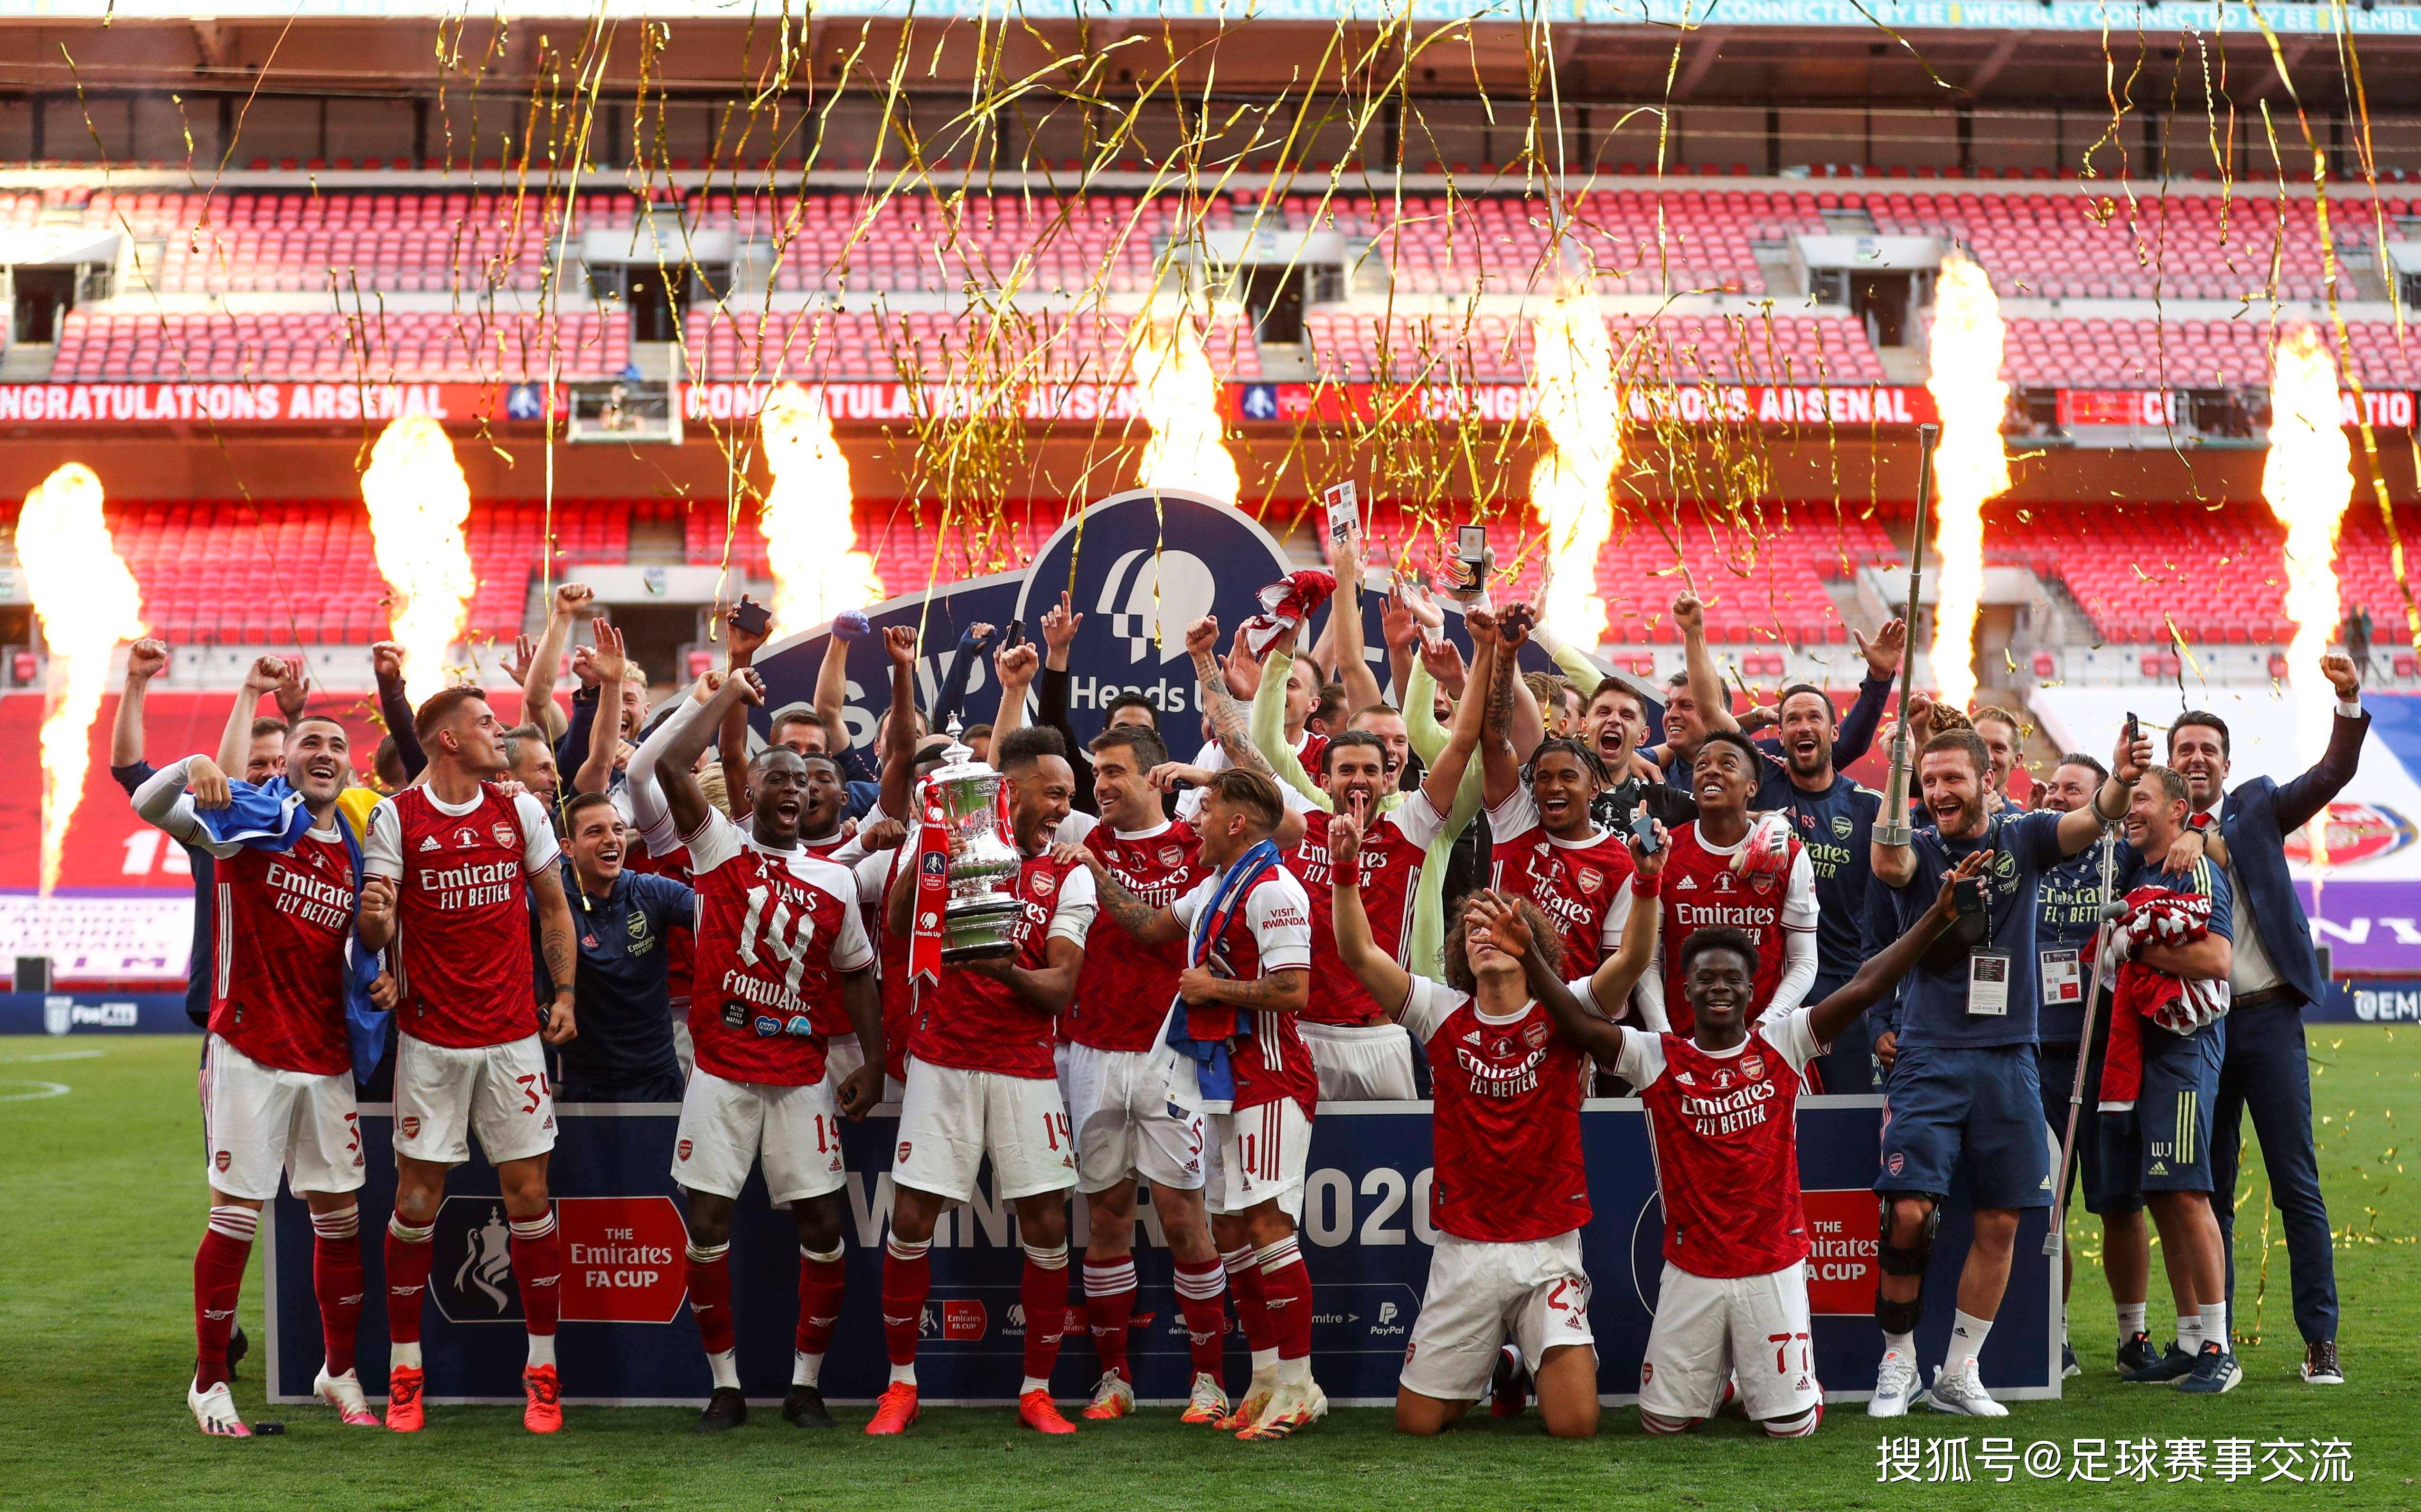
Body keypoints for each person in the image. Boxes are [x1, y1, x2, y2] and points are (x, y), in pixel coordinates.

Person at [1491, 848, 1990, 1439]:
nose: (1719, 988)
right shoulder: (1657, 1058)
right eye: (1706, 978)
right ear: (1687, 988)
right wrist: (1529, 955)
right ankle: (1725, 1374)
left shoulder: (1781, 1043)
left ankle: (1767, 1376)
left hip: (1772, 1264)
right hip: (1692, 1270)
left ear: (1754, 988)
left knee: (1790, 1429)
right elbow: (1578, 1027)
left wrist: (1934, 918)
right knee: (1663, 1424)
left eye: (1732, 978)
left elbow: (1863, 987)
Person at [1331, 814, 1661, 1439]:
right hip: (1466, 1247)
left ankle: (1518, 1358)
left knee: (1575, 1426)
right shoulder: (1441, 1012)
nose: (1484, 934)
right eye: (1472, 928)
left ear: (1527, 939)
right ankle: (1502, 1364)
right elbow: (1357, 953)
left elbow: (1636, 957)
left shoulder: (1566, 1010)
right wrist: (1345, 870)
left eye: (1499, 925)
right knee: (1418, 1424)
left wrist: (1646, 882)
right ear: (1461, 950)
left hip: (1548, 1244)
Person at [1864, 718, 2150, 1418]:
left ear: (1988, 780)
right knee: (1907, 1212)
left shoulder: (2022, 838)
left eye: (1952, 778)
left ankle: (1959, 1373)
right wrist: (1897, 774)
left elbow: (2096, 819)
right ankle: (1897, 1361)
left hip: (2009, 1058)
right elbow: (1886, 864)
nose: (1939, 792)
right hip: (1929, 1054)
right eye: (1929, 782)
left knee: (2000, 1221)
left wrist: (2118, 775)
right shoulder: (1921, 848)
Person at [641, 667, 887, 1431]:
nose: (793, 787)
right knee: (707, 1224)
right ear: (752, 793)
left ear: (819, 798)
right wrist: (724, 697)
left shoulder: (836, 881)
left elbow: (855, 979)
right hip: (720, 1073)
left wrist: (875, 1062)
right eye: (776, 775)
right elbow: (667, 767)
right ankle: (725, 1385)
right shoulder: (720, 850)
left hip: (802, 1077)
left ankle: (805, 1384)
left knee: (821, 1227)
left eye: (806, 779)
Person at [131, 714, 391, 1435]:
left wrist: (381, 968)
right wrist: (189, 763)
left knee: (339, 1221)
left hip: (325, 1055)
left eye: (338, 746)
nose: (325, 755)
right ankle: (209, 1381)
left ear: (349, 768)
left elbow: (356, 957)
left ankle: (337, 1371)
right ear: (289, 762)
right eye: (312, 743)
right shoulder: (249, 819)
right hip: (247, 1046)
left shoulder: (353, 850)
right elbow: (147, 806)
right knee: (236, 1216)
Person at [356, 686, 580, 1435]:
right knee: (416, 1204)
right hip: (431, 1042)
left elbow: (553, 906)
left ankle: (542, 1369)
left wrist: (567, 992)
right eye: (486, 724)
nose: (501, 737)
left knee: (528, 1200)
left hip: (513, 1037)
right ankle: (404, 1369)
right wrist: (377, 927)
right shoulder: (398, 817)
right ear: (448, 739)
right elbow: (375, 919)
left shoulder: (520, 810)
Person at [1084, 766, 1323, 1440]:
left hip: (1271, 1077)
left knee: (1270, 1225)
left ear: (1237, 824)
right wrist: (1095, 868)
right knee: (1234, 1233)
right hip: (1221, 1080)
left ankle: (1302, 1387)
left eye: (1208, 807)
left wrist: (1214, 990)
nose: (1195, 819)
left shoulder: (1274, 890)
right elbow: (1154, 927)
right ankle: (1268, 1378)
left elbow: (1294, 990)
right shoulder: (1219, 884)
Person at [874, 724, 1096, 1437]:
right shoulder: (950, 845)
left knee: (1047, 1226)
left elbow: (1060, 988)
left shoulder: (1069, 871)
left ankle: (1036, 1389)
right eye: (1054, 791)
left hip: (1025, 1065)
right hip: (943, 1060)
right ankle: (900, 1385)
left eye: (1069, 794)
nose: (1064, 805)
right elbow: (900, 928)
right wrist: (932, 840)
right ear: (1013, 787)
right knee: (910, 1222)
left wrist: (997, 967)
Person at [2167, 653, 2367, 1385]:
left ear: (2225, 763)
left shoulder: (2256, 806)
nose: (2196, 758)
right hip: (2196, 1027)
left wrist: (2346, 701)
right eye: (2184, 749)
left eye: (2207, 750)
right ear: (2170, 762)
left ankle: (2320, 1339)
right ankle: (2210, 1342)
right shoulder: (2155, 828)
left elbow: (2330, 776)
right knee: (2204, 1186)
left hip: (2269, 1019)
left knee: (2296, 1184)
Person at [1050, 722, 1233, 1423]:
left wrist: (1200, 779)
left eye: (1116, 771)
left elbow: (1268, 802)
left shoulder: (1198, 845)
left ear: (1154, 777)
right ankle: (1113, 1378)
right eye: (1097, 771)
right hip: (1092, 1050)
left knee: (1187, 1216)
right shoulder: (1083, 844)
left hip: (1170, 1052)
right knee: (1106, 1216)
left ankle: (1209, 1380)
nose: (1102, 783)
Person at [1229, 615, 1485, 1099]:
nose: (1360, 779)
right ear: (1325, 781)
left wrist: (1481, 657)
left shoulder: (1410, 826)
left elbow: (1464, 745)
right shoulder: (1303, 822)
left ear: (1389, 778)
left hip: (1382, 1035)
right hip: (1304, 1034)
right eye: (1346, 769)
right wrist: (1279, 654)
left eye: (1372, 769)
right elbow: (1254, 748)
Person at [1675, 593, 1899, 1088]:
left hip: (1841, 982)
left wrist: (1879, 682)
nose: (1802, 725)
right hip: (1770, 982)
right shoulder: (1767, 779)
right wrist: (1694, 632)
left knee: (1843, 1118)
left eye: (1813, 717)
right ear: (1778, 733)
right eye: (1791, 718)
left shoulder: (1864, 804)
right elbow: (1712, 713)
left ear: (1832, 732)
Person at [2097, 765, 2239, 1394]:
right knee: (2160, 1192)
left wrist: (2133, 946)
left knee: (2187, 1192)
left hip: (2185, 1044)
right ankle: (2188, 1338)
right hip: (2146, 1047)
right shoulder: (2140, 871)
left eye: (2143, 799)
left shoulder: (2195, 868)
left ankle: (2220, 1345)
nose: (2132, 809)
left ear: (2178, 809)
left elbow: (2216, 958)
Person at [2027, 752, 2152, 1378]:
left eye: (2070, 788)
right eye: (2050, 787)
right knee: (2049, 1203)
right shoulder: (2027, 851)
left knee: (2120, 1202)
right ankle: (2056, 1330)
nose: (2056, 795)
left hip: (2107, 1055)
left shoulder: (2121, 856)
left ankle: (2133, 1335)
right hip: (2038, 1056)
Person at [1477, 607, 1637, 981]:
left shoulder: (1626, 852)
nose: (1553, 786)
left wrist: (1768, 819)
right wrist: (1505, 656)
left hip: (1573, 1013)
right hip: (1500, 994)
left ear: (1595, 787)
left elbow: (1617, 965)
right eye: (1544, 777)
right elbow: (1495, 739)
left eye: (1568, 776)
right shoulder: (1516, 820)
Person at [1633, 728, 1816, 1038]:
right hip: (1684, 1041)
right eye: (1702, 765)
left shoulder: (1790, 855)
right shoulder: (1664, 852)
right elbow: (1648, 960)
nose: (1712, 770)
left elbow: (1804, 961)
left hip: (1766, 1042)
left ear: (1752, 787)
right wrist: (1663, 1037)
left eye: (1728, 764)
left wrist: (1765, 1026)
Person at [549, 793, 693, 1103]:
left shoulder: (651, 891)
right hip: (588, 1085)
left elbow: (719, 916)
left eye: (617, 829)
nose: (611, 839)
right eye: (595, 831)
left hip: (659, 1080)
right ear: (567, 847)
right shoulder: (551, 906)